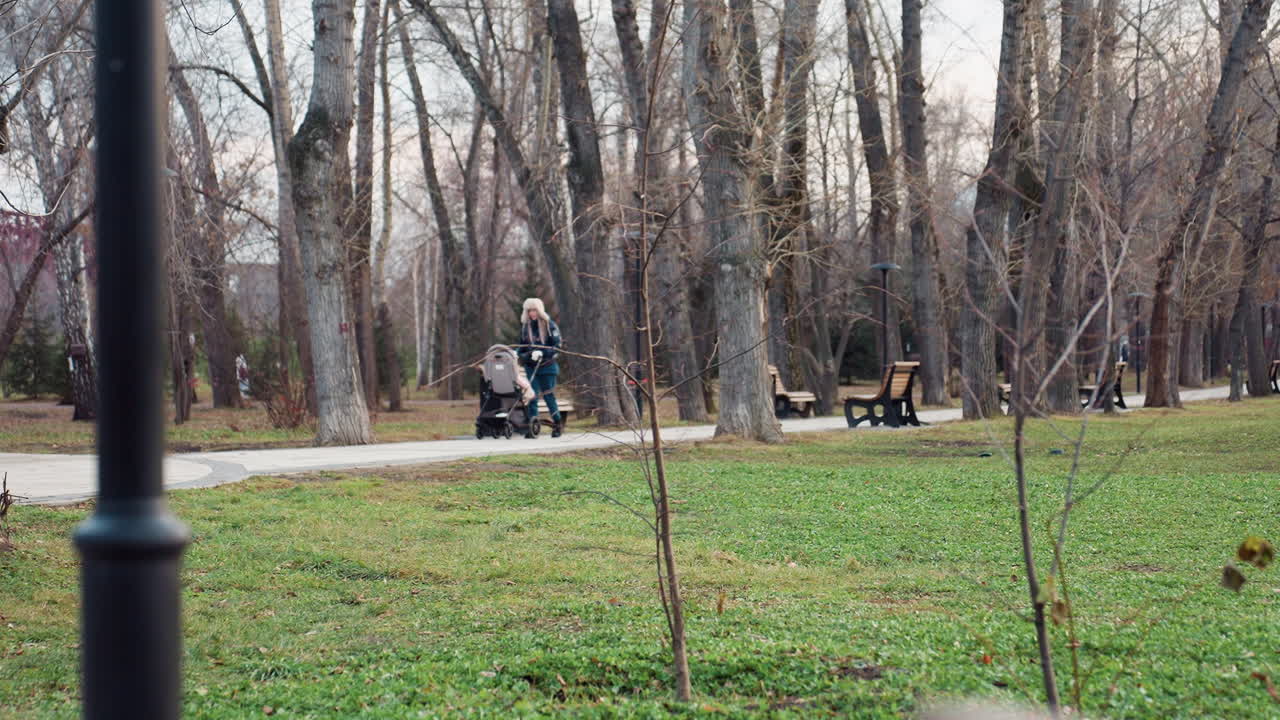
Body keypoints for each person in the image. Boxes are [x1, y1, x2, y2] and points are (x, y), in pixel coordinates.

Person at [517, 297, 563, 438]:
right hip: (532, 367)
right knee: (532, 397)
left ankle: (557, 424)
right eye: (529, 310)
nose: (532, 313)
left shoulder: (550, 325)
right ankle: (533, 426)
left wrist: (543, 353)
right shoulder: (526, 327)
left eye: (534, 310)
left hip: (547, 367)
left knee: (549, 396)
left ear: (539, 310)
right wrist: (522, 355)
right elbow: (522, 347)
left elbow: (557, 346)